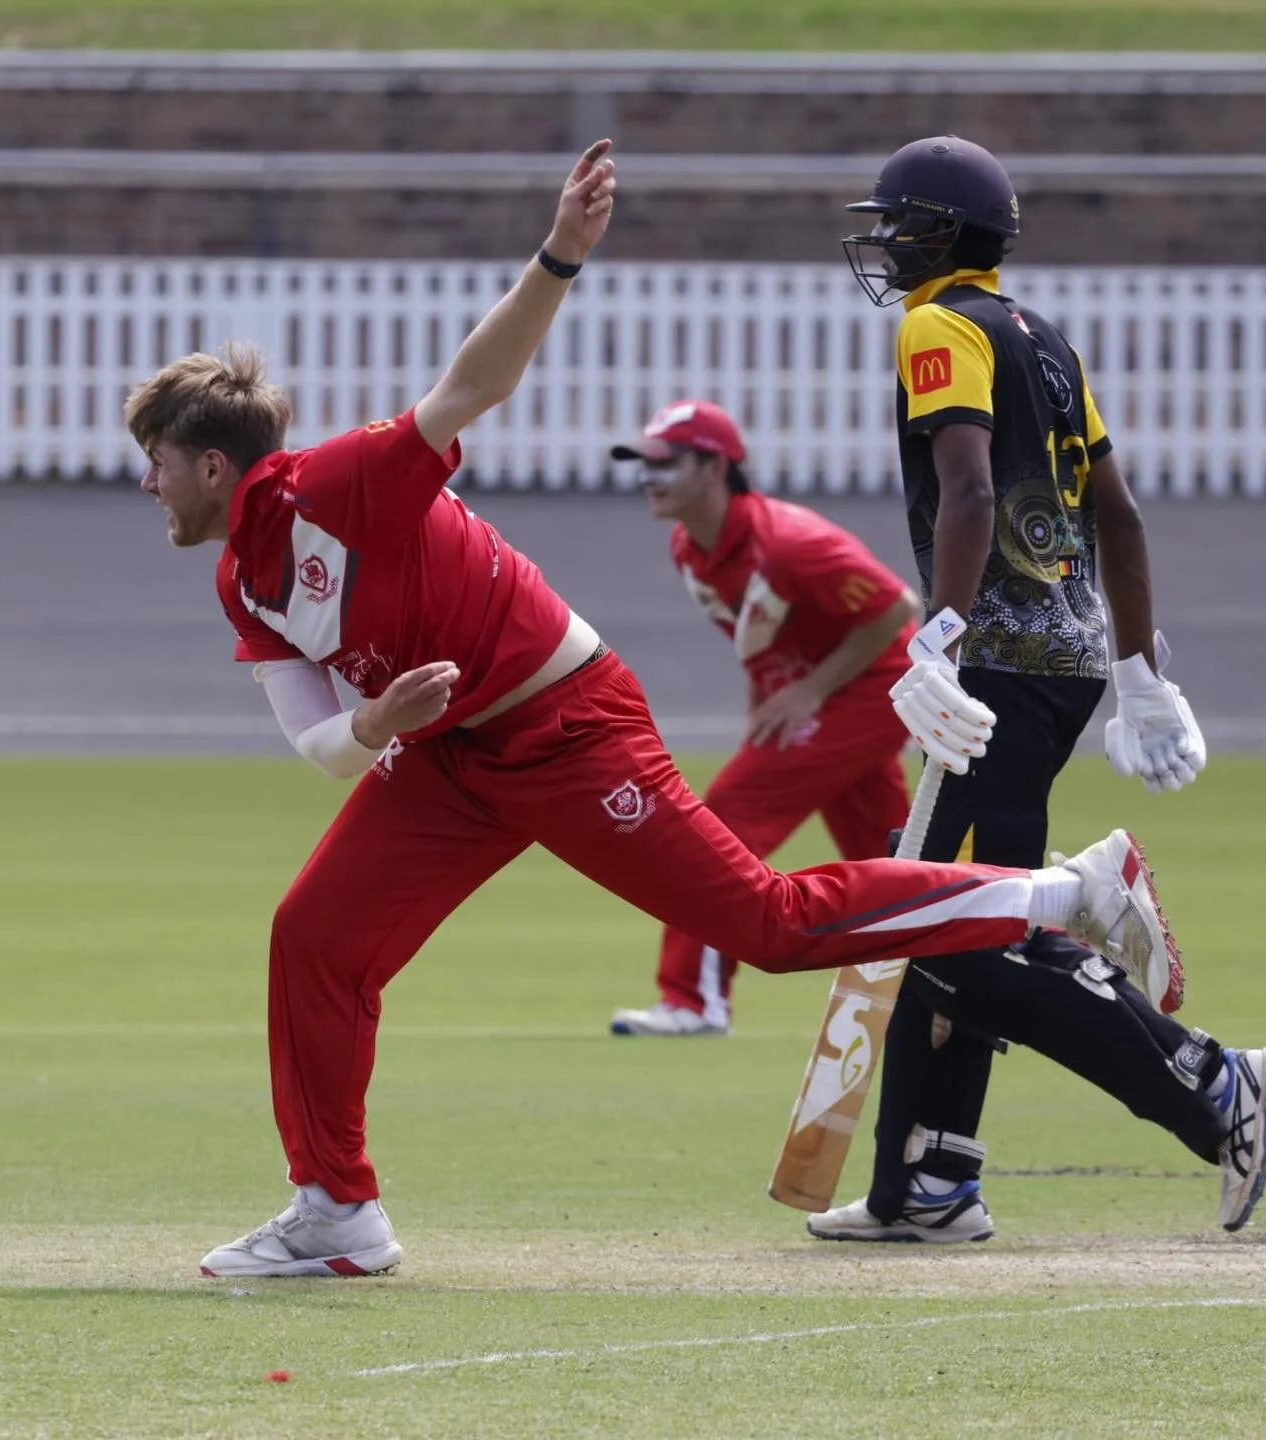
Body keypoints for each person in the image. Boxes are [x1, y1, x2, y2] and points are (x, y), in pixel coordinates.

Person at [126, 139, 1183, 1280]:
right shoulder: (242, 579)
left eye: (158, 460)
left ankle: (1070, 892)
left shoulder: (339, 482)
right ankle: (336, 1210)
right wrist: (378, 724)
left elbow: (473, 386)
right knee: (314, 938)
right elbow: (321, 743)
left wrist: (559, 256)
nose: (146, 483)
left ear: (217, 466)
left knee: (770, 926)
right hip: (444, 757)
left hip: (566, 723)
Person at [805, 134, 1261, 1243]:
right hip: (1063, 663)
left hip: (994, 669)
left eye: (898, 222)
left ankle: (1215, 1083)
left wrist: (940, 639)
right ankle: (928, 1181)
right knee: (957, 915)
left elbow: (966, 492)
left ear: (941, 232)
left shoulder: (940, 326)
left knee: (949, 923)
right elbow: (1121, 515)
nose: (885, 242)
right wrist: (1138, 672)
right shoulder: (1045, 338)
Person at [606, 399, 919, 1037]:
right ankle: (971, 971)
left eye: (665, 463)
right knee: (894, 853)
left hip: (873, 688)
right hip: (828, 693)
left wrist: (809, 690)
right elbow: (759, 634)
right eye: (644, 464)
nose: (649, 477)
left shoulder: (791, 545)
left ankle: (693, 1001)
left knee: (719, 825)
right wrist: (766, 700)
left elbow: (897, 608)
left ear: (715, 467)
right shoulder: (690, 546)